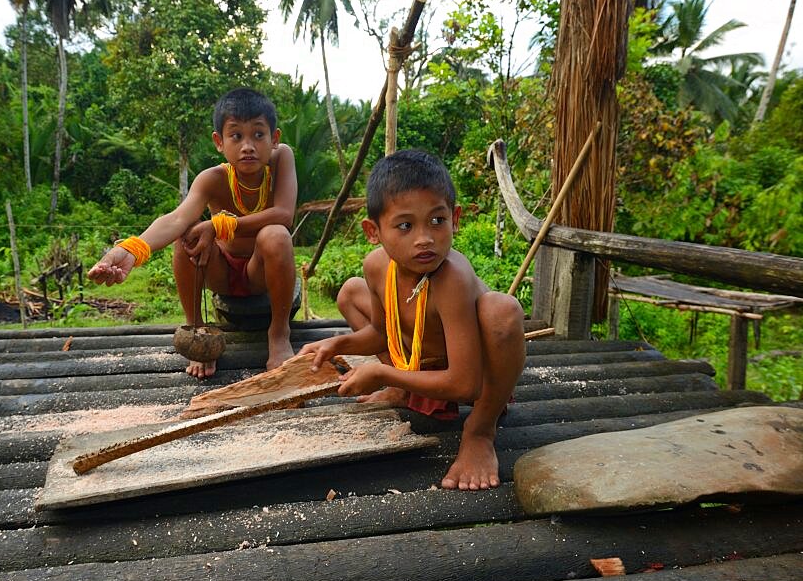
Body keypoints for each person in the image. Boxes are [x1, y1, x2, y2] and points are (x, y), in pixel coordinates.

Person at [299, 149, 525, 491]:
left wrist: (382, 373)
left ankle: (480, 430)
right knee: (349, 293)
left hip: (477, 376)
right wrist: (338, 344)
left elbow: (466, 384)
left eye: (437, 220)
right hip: (424, 365)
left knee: (503, 312)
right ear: (373, 231)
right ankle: (404, 391)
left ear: (456, 218)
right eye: (405, 225)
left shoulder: (452, 277)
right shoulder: (377, 267)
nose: (425, 238)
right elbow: (380, 333)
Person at [88, 88, 298, 378]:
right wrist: (130, 250)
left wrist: (218, 225)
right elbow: (176, 219)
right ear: (219, 142)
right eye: (236, 136)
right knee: (185, 235)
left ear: (274, 139)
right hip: (221, 273)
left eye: (258, 135)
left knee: (275, 234)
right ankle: (197, 334)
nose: (248, 146)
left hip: (261, 272)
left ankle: (278, 333)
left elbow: (284, 215)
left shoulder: (282, 158)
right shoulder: (212, 179)